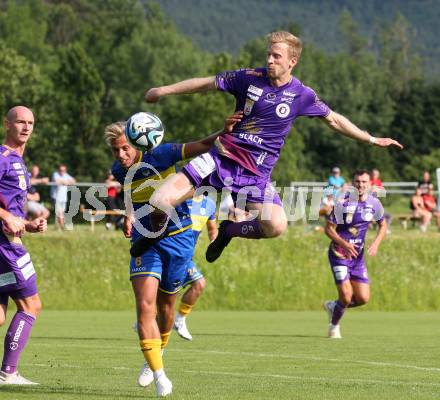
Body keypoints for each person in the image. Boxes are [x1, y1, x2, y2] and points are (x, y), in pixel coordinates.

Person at [135, 30, 403, 263]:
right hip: (220, 159)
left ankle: (229, 231)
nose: (270, 60)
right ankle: (156, 232)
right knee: (159, 201)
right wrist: (163, 90)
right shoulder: (248, 78)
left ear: (292, 61)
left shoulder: (302, 95)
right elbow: (206, 83)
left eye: (276, 56)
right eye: (269, 54)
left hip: (256, 174)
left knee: (276, 226)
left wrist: (370, 139)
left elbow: (334, 120)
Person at [104, 114, 237, 397]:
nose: (121, 154)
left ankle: (155, 355)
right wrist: (129, 215)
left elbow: (201, 144)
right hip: (145, 239)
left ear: (138, 142)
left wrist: (222, 131)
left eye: (125, 148)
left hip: (179, 239)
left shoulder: (161, 154)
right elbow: (131, 193)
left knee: (166, 308)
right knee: (145, 307)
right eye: (116, 150)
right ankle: (159, 374)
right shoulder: (119, 169)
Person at [0, 106, 47, 385]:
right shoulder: (3, 157)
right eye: (20, 122)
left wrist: (28, 224)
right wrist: (6, 216)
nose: (26, 127)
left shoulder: (19, 161)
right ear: (7, 125)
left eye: (30, 122)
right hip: (5, 246)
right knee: (31, 305)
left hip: (6, 241)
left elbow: (10, 208)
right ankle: (8, 372)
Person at [323, 170, 387, 339]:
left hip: (357, 259)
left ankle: (333, 306)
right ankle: (334, 326)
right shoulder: (342, 204)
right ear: (353, 183)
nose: (361, 185)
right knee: (346, 296)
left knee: (363, 298)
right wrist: (344, 244)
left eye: (364, 182)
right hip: (339, 255)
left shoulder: (374, 204)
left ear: (370, 184)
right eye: (358, 182)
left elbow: (383, 225)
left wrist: (376, 243)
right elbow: (328, 229)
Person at [174, 193, 218, 341]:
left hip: (185, 256)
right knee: (166, 292)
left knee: (199, 284)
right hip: (170, 251)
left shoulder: (209, 204)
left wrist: (215, 245)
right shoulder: (178, 199)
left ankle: (179, 319)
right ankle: (148, 320)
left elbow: (212, 230)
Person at [50, 164, 75, 229]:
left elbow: (73, 181)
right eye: (60, 170)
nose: (62, 171)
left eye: (63, 170)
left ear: (65, 170)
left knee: (62, 213)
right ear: (58, 170)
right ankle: (63, 227)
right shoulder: (55, 174)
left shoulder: (66, 175)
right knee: (59, 212)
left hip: (63, 198)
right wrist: (66, 182)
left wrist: (64, 182)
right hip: (56, 197)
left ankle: (57, 226)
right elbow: (57, 181)